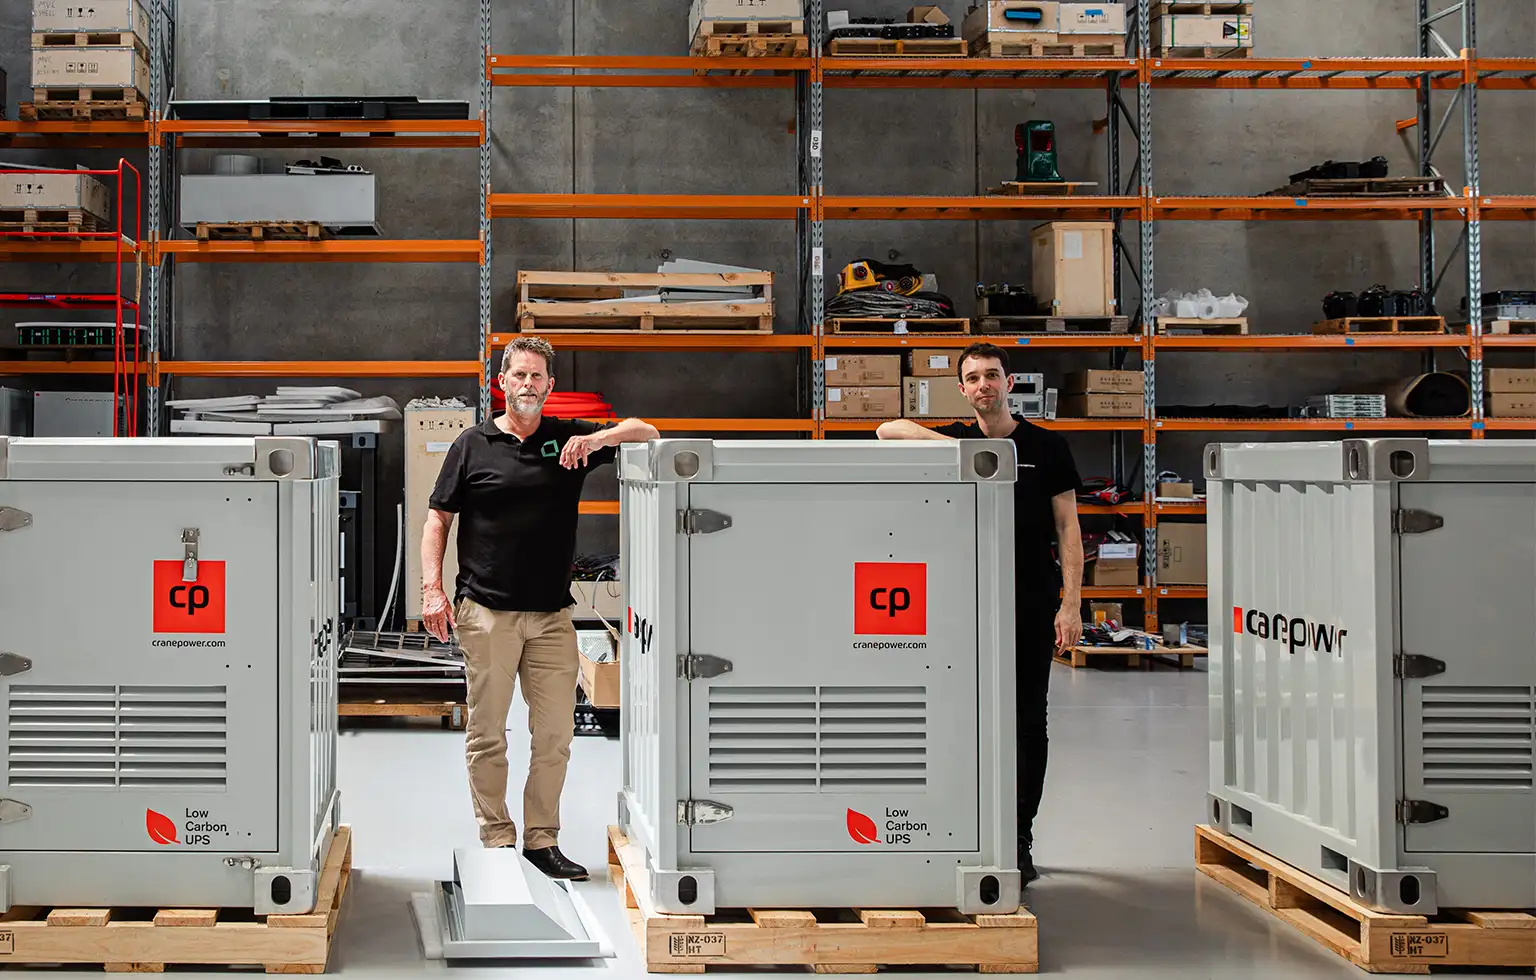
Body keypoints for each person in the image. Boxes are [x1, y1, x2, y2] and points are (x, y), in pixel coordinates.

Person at [420, 336, 659, 880]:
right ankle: (497, 838)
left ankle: (541, 840)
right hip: (487, 613)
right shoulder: (472, 445)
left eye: (536, 377)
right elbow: (438, 519)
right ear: (501, 383)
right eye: (519, 375)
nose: (527, 384)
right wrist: (432, 589)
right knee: (488, 734)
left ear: (550, 386)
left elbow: (647, 432)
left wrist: (598, 438)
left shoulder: (566, 439)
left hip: (552, 616)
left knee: (555, 736)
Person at [875, 342, 1084, 884]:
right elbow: (887, 430)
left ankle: (1018, 837)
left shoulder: (1048, 446)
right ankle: (966, 831)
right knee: (957, 717)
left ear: (1009, 383)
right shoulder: (957, 440)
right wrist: (960, 448)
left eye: (992, 375)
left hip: (1029, 599)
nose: (984, 385)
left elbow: (1068, 529)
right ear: (963, 389)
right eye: (973, 378)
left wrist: (1071, 604)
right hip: (961, 606)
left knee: (1026, 721)